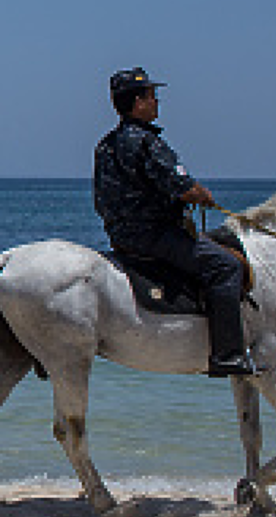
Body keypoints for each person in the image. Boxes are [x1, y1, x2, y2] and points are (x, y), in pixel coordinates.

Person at [93, 68, 254, 377]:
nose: (156, 102)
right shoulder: (147, 142)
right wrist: (201, 195)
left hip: (120, 236)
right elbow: (183, 187)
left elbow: (101, 197)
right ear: (138, 102)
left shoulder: (105, 145)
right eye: (152, 96)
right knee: (226, 267)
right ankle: (228, 355)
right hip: (155, 236)